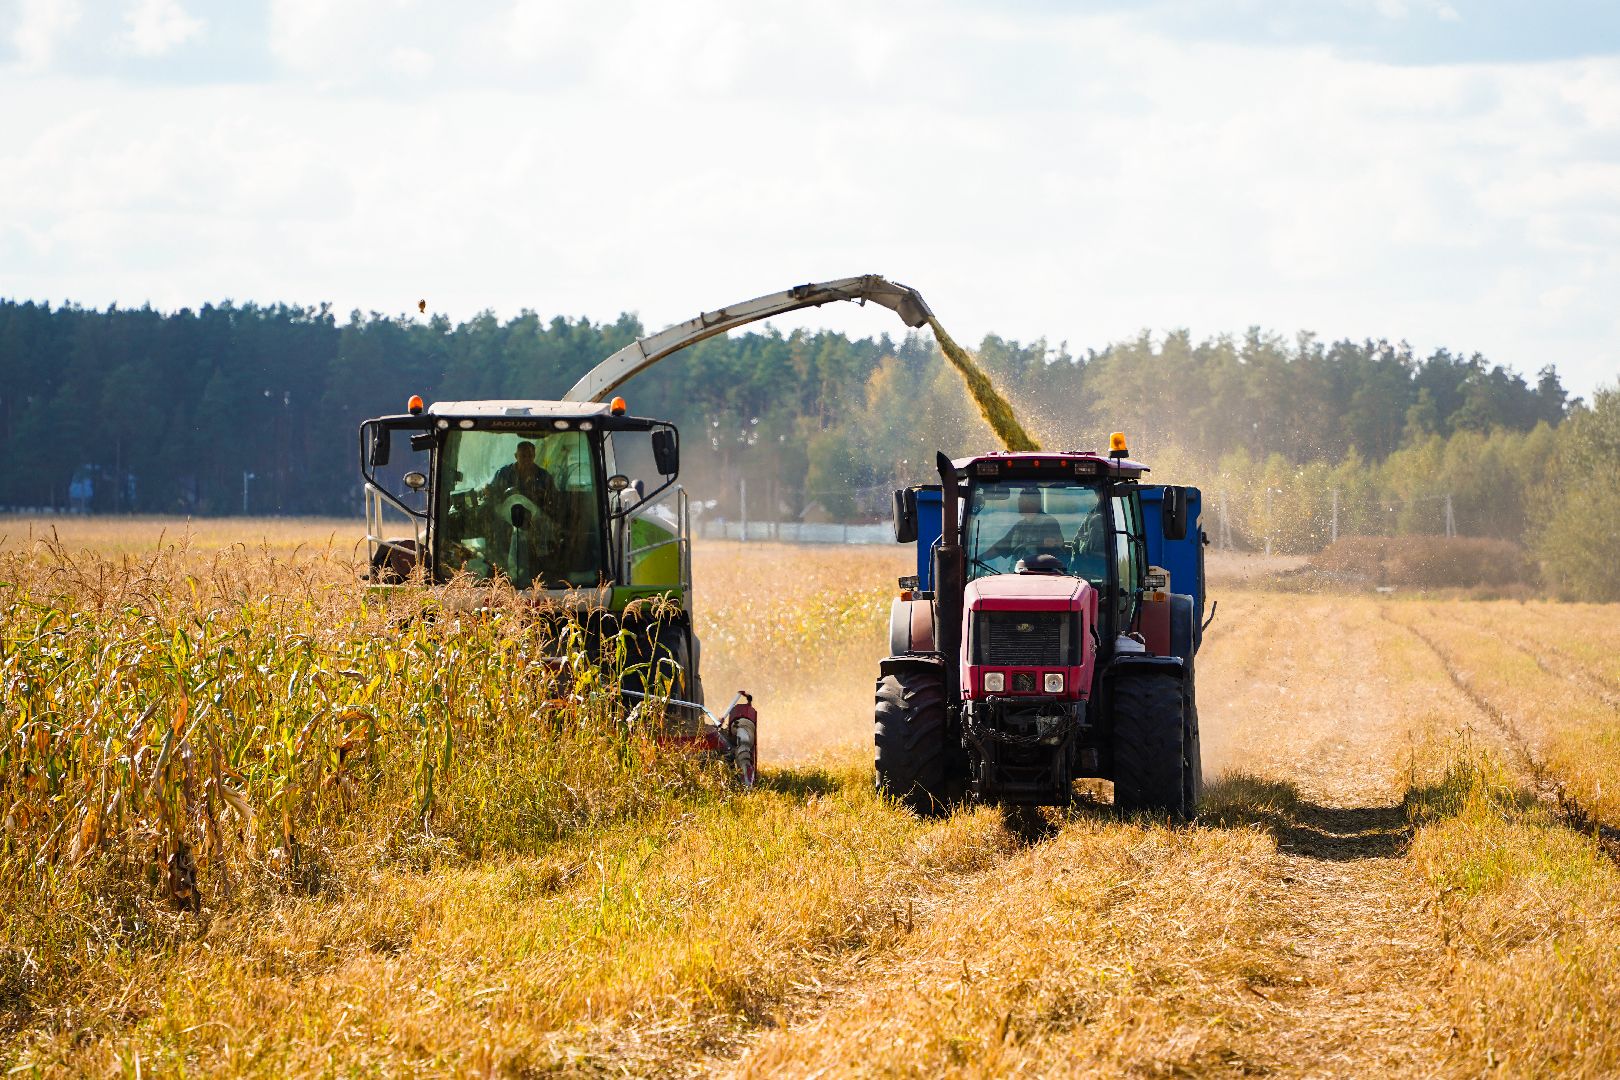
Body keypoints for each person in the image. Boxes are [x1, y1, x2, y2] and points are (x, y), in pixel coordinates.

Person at [985, 488, 1067, 564]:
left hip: (1042, 571)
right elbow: (1000, 547)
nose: (1018, 503)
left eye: (1021, 500)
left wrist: (1049, 543)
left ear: (1032, 503)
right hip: (1020, 571)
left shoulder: (1048, 523)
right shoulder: (1020, 526)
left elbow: (1056, 546)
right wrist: (980, 558)